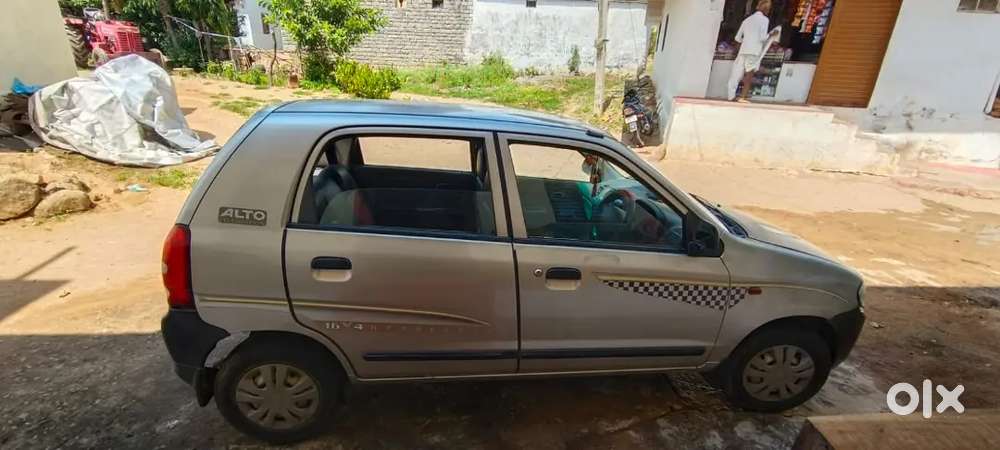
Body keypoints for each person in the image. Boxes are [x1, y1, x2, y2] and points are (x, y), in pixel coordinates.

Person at [727, 0, 779, 102]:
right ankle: (743, 96)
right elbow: (762, 38)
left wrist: (743, 44)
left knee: (736, 74)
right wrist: (772, 34)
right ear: (766, 9)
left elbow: (737, 38)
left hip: (743, 50)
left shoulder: (746, 20)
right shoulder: (764, 20)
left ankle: (731, 96)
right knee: (749, 74)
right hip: (754, 51)